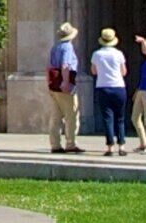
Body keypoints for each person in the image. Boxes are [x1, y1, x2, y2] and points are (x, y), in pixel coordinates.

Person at [87, 27, 130, 157]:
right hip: (119, 87)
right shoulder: (119, 54)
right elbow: (124, 72)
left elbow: (93, 71)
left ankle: (110, 147)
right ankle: (122, 146)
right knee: (120, 118)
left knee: (108, 118)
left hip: (103, 87)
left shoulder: (97, 54)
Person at [45, 21, 85, 154]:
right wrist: (66, 83)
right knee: (71, 115)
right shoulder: (67, 47)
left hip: (53, 85)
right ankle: (70, 143)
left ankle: (55, 144)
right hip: (64, 84)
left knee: (55, 116)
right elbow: (66, 65)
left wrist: (49, 83)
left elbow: (48, 67)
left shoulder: (55, 47)